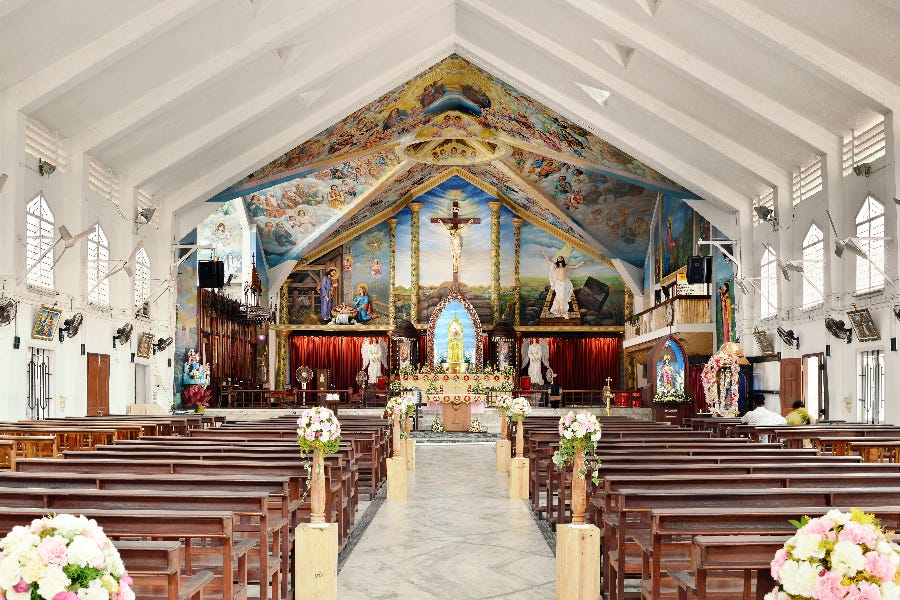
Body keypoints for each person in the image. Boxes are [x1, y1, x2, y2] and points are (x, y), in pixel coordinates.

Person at [540, 249, 585, 318]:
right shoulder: (555, 265)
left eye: (561, 257)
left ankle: (563, 311)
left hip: (564, 283)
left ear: (563, 259)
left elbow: (575, 266)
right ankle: (558, 310)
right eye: (559, 258)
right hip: (558, 284)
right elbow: (548, 260)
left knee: (563, 296)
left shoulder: (566, 266)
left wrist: (582, 263)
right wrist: (544, 254)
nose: (560, 258)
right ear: (557, 259)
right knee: (558, 297)